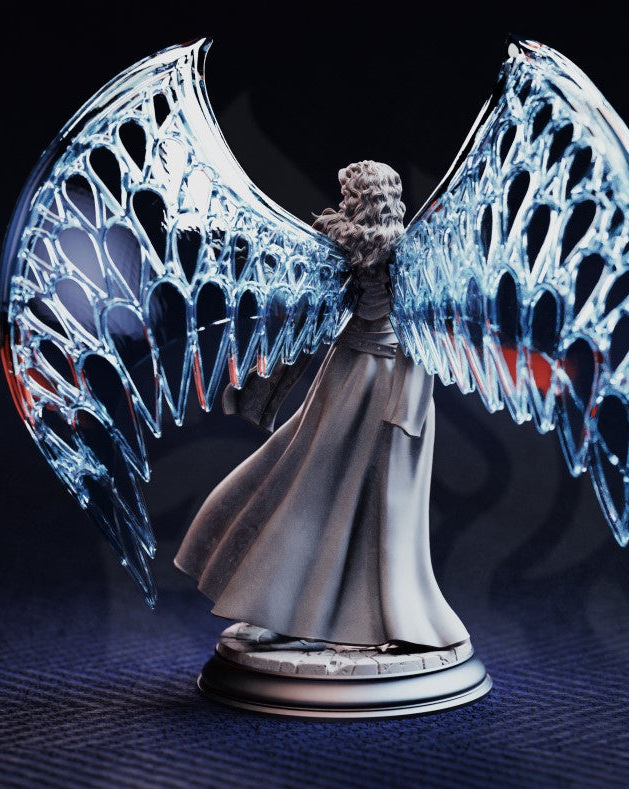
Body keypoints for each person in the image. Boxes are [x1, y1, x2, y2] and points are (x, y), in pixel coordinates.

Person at [174, 161, 468, 649]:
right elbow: (310, 320)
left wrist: (407, 411)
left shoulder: (412, 258)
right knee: (299, 487)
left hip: (390, 391)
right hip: (342, 379)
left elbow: (428, 334)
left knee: (382, 515)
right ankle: (270, 607)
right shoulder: (342, 249)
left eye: (353, 194)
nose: (346, 201)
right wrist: (263, 384)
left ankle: (392, 622)